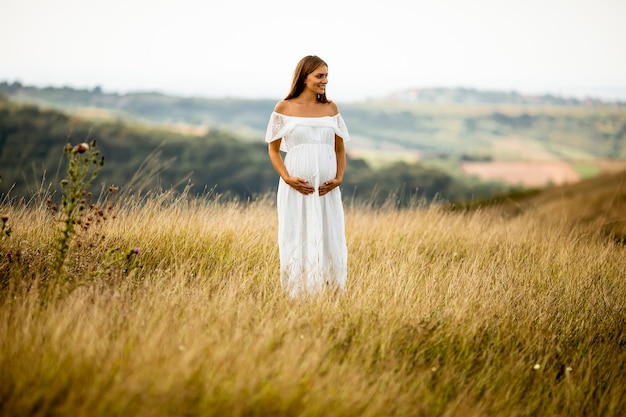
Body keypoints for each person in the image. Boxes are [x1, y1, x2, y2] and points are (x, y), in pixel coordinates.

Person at [265, 55, 351, 298]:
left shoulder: (331, 108)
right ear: (304, 77)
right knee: (297, 234)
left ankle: (331, 292)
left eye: (326, 76)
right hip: (296, 187)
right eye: (319, 76)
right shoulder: (283, 107)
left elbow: (340, 148)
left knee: (329, 235)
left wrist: (339, 177)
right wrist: (287, 177)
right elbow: (273, 150)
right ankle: (297, 295)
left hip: (326, 189)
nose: (325, 81)